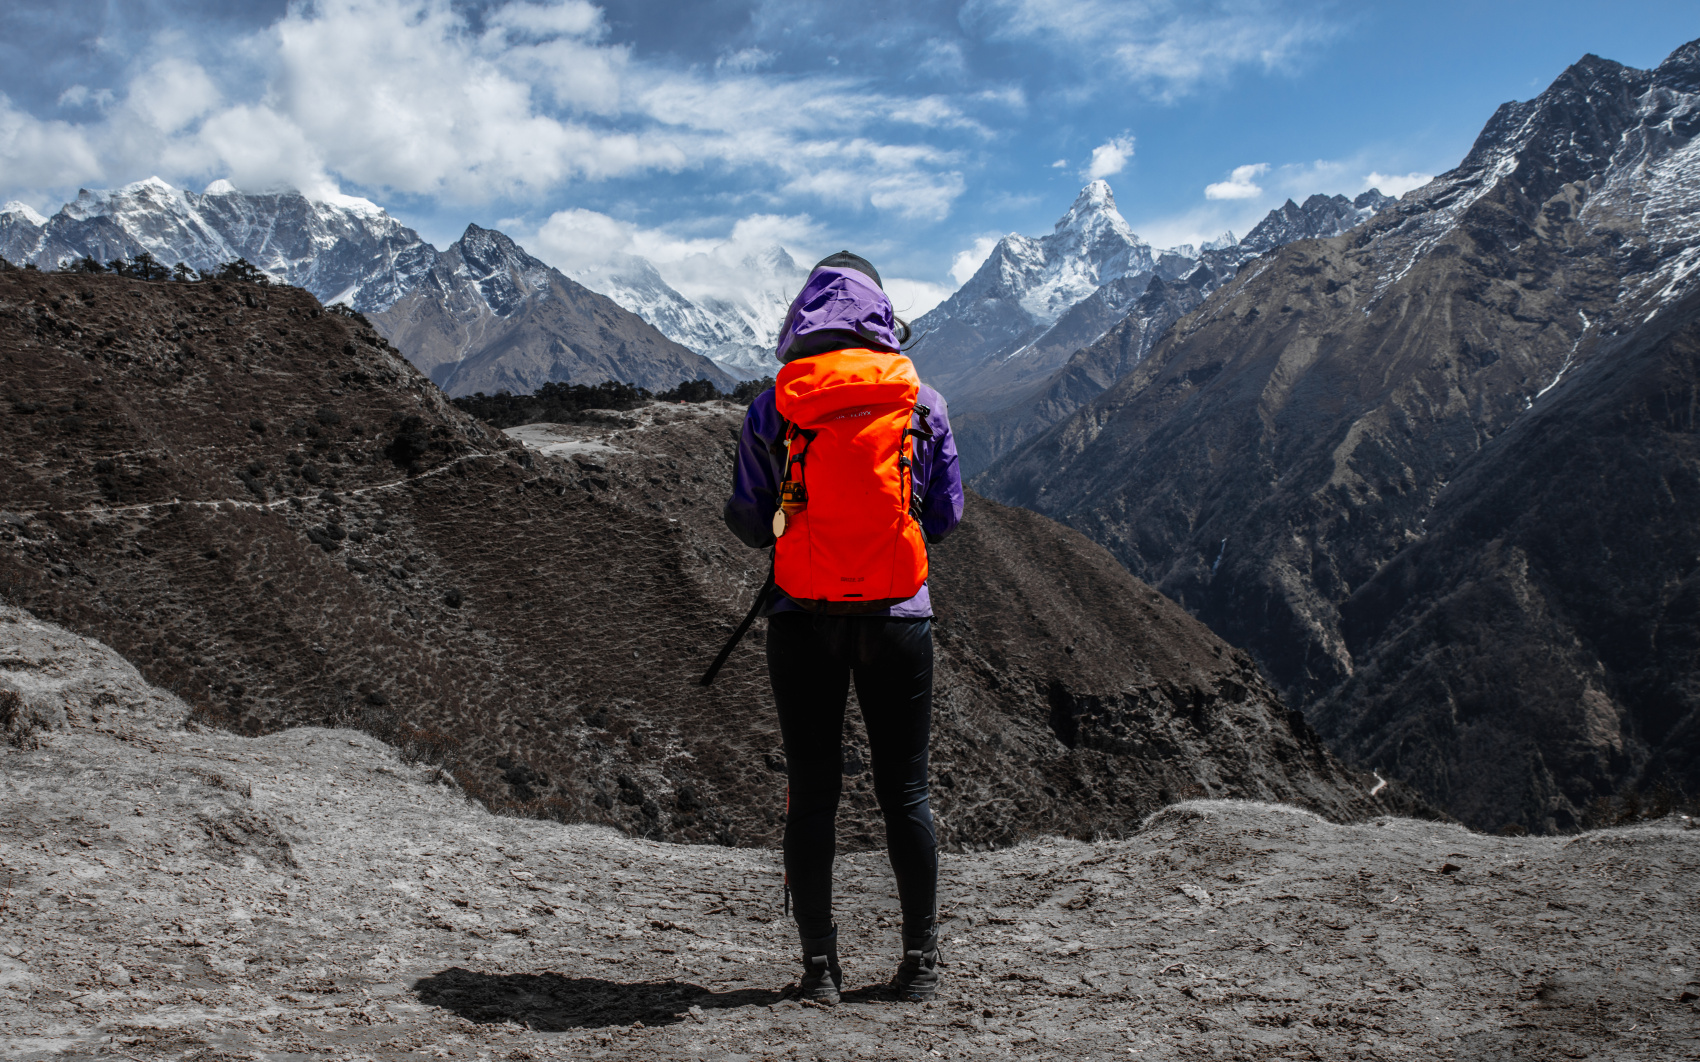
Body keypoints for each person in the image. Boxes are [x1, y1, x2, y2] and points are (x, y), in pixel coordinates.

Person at [723, 251, 964, 1005]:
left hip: (803, 618)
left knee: (813, 792)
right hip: (898, 617)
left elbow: (745, 522)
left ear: (803, 316)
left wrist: (795, 519)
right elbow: (948, 517)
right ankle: (920, 963)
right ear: (883, 313)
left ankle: (820, 970)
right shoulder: (923, 401)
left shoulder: (775, 405)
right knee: (907, 793)